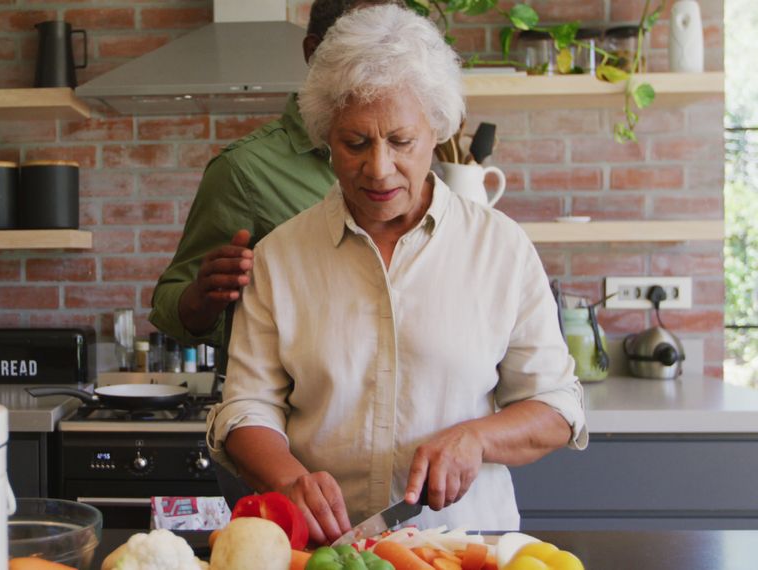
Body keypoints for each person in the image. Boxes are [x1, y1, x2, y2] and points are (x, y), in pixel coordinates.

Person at [205, 4, 588, 545]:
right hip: (326, 551)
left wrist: (477, 439)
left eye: (401, 142)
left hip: (464, 547)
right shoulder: (281, 257)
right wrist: (288, 479)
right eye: (354, 143)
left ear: (436, 130)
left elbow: (555, 405)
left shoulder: (500, 248)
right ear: (325, 138)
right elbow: (246, 407)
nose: (379, 168)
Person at [148, 0, 399, 363]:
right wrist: (203, 298)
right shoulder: (244, 170)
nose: (387, 69)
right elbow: (169, 308)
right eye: (366, 50)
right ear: (314, 52)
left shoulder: (412, 161)